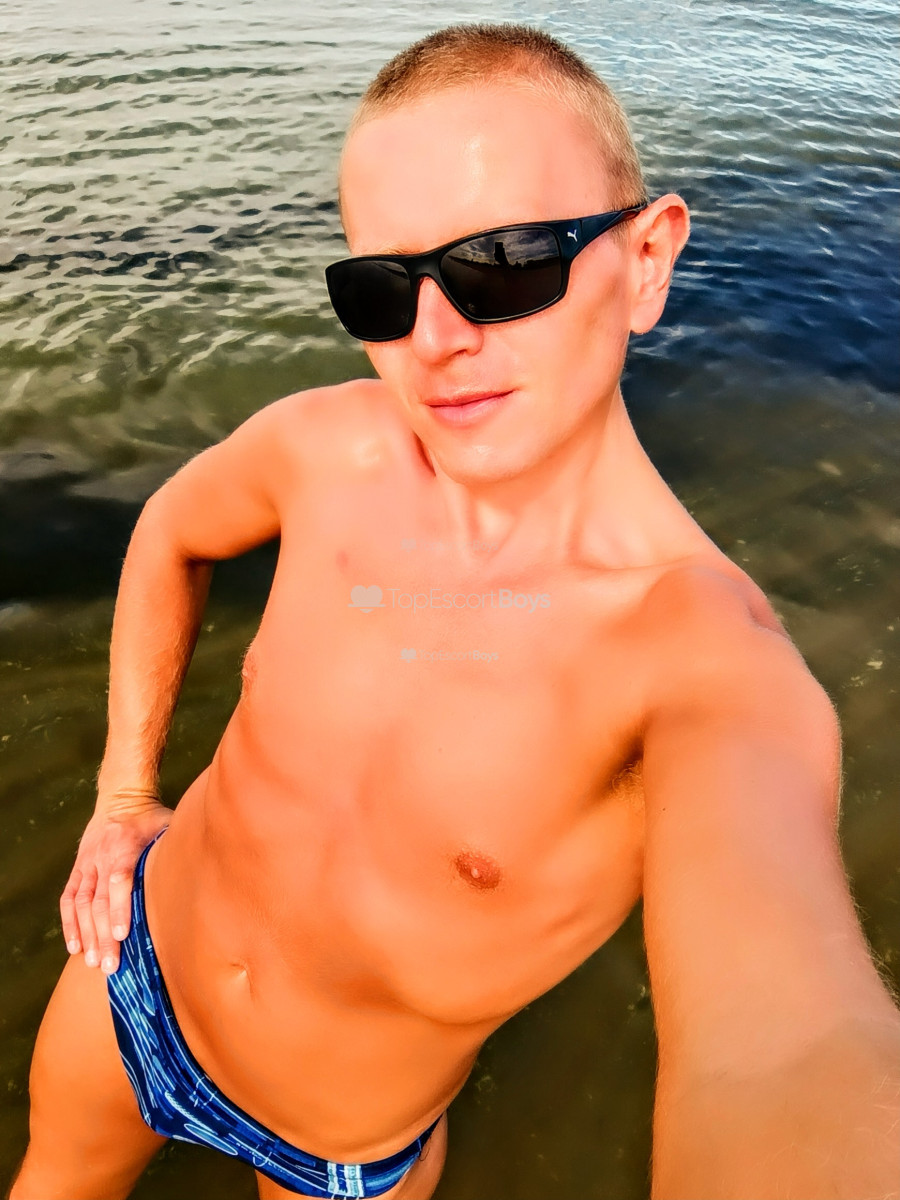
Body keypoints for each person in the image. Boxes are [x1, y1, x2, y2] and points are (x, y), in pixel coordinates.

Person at [10, 23, 900, 1200]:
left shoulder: (697, 661)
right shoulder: (329, 452)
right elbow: (172, 529)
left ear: (646, 260)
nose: (436, 340)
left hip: (336, 1149)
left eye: (507, 263)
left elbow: (786, 1054)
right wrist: (126, 794)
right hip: (129, 983)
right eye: (383, 289)